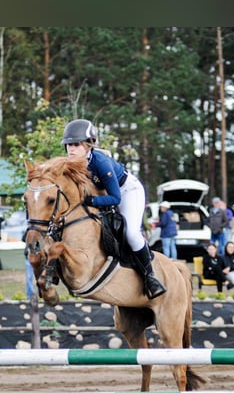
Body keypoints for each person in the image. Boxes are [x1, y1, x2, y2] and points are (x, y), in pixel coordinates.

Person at [62, 118, 165, 298]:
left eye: (76, 144)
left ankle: (150, 277)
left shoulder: (100, 162)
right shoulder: (69, 163)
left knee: (131, 233)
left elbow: (116, 198)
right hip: (103, 194)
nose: (71, 148)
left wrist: (92, 201)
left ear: (88, 145)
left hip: (127, 191)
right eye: (68, 144)